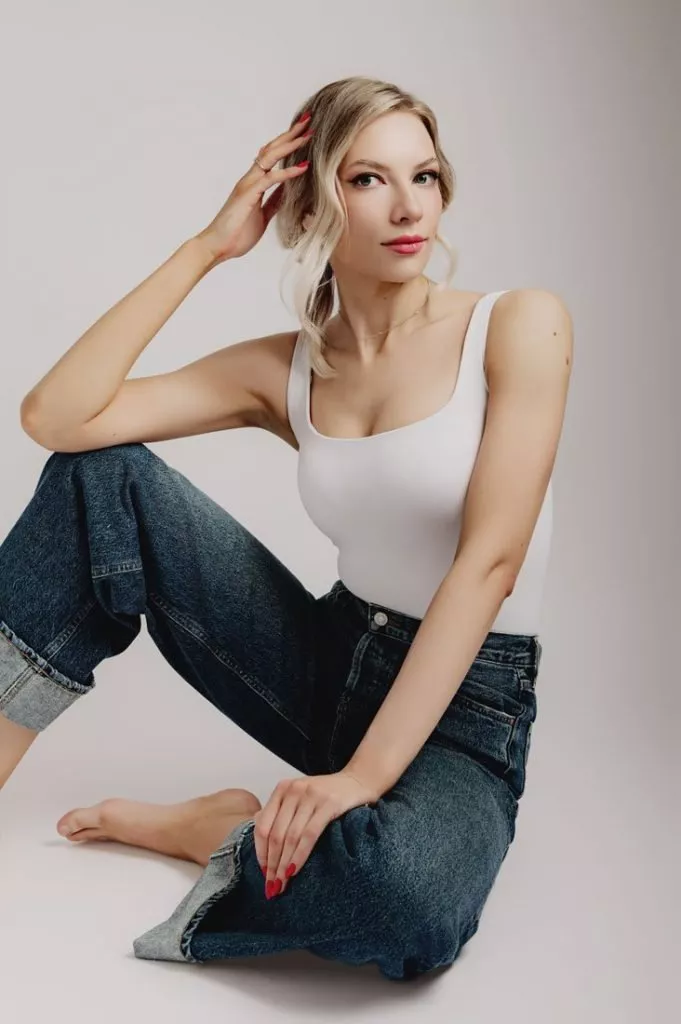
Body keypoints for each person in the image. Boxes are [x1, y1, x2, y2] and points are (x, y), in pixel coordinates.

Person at [0, 76, 572, 981]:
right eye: (367, 179)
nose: (406, 207)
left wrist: (361, 780)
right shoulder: (288, 371)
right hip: (329, 662)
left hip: (467, 709)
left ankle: (217, 831)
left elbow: (489, 563)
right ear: (308, 203)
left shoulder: (517, 325)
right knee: (100, 480)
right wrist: (208, 248)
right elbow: (57, 419)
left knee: (405, 902)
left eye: (422, 176)